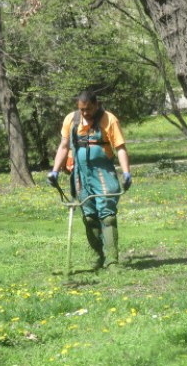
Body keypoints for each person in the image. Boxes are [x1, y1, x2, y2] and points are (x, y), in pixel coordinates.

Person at [48, 90, 132, 270]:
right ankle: (99, 256)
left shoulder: (109, 120)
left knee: (107, 216)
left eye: (88, 109)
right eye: (81, 109)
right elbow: (63, 147)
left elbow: (121, 148)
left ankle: (112, 260)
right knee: (89, 217)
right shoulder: (71, 120)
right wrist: (54, 171)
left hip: (102, 173)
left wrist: (126, 173)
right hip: (80, 175)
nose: (85, 113)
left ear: (96, 104)